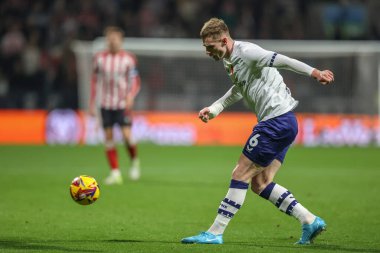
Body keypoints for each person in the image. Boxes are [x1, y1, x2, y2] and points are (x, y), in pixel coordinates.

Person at [181, 18, 334, 245]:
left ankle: (214, 232)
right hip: (285, 122)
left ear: (224, 40)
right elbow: (239, 88)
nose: (208, 52)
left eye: (210, 47)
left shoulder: (248, 52)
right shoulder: (229, 60)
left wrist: (315, 72)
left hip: (276, 121)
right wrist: (215, 108)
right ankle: (309, 220)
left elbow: (283, 61)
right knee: (260, 183)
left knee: (240, 173)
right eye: (205, 48)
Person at [89, 26, 141, 185]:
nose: (112, 42)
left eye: (115, 39)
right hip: (105, 104)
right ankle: (115, 172)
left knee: (126, 136)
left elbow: (136, 80)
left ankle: (134, 160)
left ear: (121, 40)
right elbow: (94, 81)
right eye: (110, 39)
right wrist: (92, 102)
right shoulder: (99, 58)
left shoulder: (129, 59)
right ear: (106, 40)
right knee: (109, 137)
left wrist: (131, 96)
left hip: (122, 103)